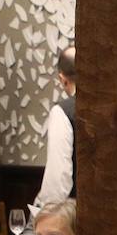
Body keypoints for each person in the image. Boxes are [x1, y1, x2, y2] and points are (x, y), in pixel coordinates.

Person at [35, 46, 77, 206]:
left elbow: (59, 180)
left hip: (74, 214)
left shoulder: (63, 112)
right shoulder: (110, 108)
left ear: (62, 78)